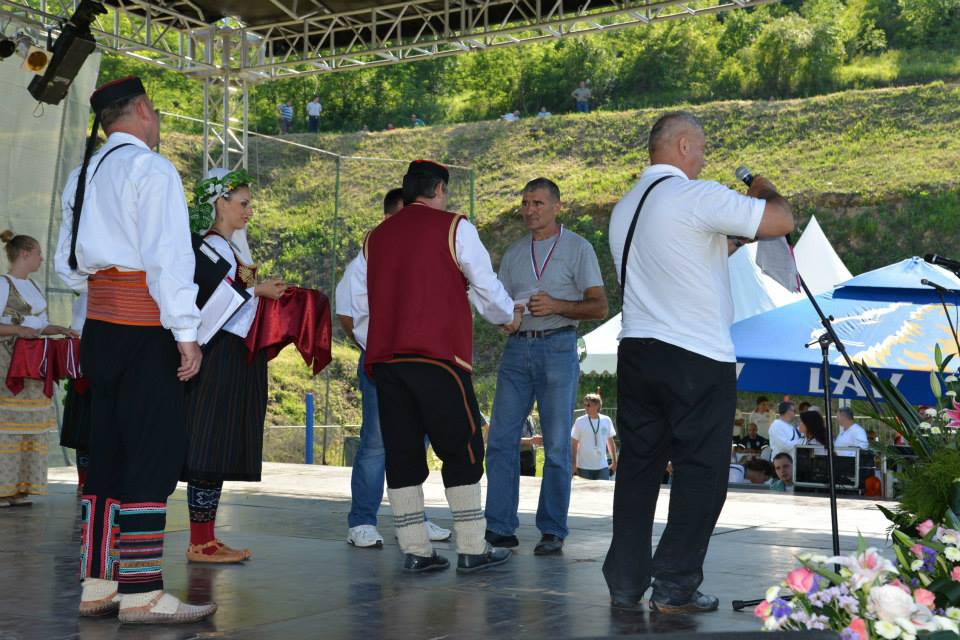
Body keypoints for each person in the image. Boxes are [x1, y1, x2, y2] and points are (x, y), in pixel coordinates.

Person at [605, 111, 794, 613]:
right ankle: (675, 584)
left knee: (639, 469)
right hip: (695, 354)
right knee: (701, 472)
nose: (704, 159)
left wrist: (725, 244)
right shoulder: (695, 195)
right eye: (703, 149)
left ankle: (625, 580)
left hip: (637, 350)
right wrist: (762, 184)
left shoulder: (625, 207)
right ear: (684, 145)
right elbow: (781, 219)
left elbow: (679, 258)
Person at [55, 76, 215, 623]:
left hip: (101, 330)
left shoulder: (82, 175)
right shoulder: (152, 169)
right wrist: (186, 334)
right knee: (153, 452)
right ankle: (143, 591)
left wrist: (107, 289)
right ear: (143, 109)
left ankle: (99, 585)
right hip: (146, 330)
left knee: (106, 453)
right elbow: (169, 260)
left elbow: (68, 265)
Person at [350, 160, 518, 574]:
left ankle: (416, 550)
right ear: (439, 189)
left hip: (387, 362)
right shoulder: (454, 227)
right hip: (438, 357)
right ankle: (472, 547)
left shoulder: (376, 238)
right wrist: (507, 315)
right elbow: (484, 283)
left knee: (402, 453)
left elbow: (357, 305)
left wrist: (379, 343)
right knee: (462, 448)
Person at [484, 177, 607, 556]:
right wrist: (507, 319)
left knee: (555, 446)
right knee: (501, 440)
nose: (529, 210)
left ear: (557, 206)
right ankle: (500, 527)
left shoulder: (578, 248)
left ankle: (552, 530)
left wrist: (557, 305)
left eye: (537, 203)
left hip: (558, 346)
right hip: (516, 349)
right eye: (525, 203)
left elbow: (599, 306)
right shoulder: (514, 253)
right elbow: (501, 305)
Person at [180, 168, 288, 564]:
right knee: (208, 444)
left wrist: (262, 293)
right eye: (242, 203)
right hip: (218, 354)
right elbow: (210, 302)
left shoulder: (229, 248)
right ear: (220, 203)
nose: (248, 211)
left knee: (219, 445)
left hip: (234, 354)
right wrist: (257, 291)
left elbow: (235, 296)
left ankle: (206, 536)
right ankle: (199, 541)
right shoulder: (209, 247)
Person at [336, 188, 451, 549]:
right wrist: (375, 346)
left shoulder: (423, 257)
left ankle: (413, 519)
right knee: (376, 443)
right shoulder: (366, 259)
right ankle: (362, 521)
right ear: (388, 220)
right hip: (382, 364)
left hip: (420, 364)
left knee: (416, 443)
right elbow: (346, 313)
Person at [0, 232, 75, 507]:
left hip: (33, 363)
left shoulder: (33, 285)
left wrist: (59, 329)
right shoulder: (3, 285)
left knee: (30, 424)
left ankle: (20, 488)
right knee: (7, 425)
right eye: (38, 254)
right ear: (24, 254)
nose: (41, 259)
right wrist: (18, 330)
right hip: (8, 363)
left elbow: (39, 325)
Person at [59, 292, 90, 495]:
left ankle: (88, 481)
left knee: (92, 428)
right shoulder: (85, 296)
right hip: (84, 369)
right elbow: (76, 330)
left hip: (100, 368)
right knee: (84, 429)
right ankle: (84, 481)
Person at [571, 394, 617, 480]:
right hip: (583, 467)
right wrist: (573, 464)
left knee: (603, 489)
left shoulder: (606, 420)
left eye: (588, 405)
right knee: (585, 489)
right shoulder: (579, 421)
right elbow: (574, 444)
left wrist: (614, 462)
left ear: (597, 405)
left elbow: (610, 443)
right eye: (585, 404)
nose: (585, 407)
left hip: (602, 466)